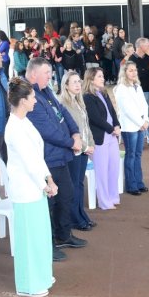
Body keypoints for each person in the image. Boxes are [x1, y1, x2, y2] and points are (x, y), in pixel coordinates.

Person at [23, 57, 87, 259]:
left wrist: (75, 133)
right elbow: (46, 130)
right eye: (46, 73)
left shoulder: (47, 91)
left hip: (60, 157)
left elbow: (63, 113)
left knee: (66, 196)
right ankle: (47, 244)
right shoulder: (28, 95)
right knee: (48, 204)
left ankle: (63, 234)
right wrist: (71, 142)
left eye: (50, 72)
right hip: (47, 159)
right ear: (33, 74)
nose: (50, 76)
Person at [4, 77, 57, 297]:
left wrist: (48, 177)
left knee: (40, 235)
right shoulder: (14, 127)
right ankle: (29, 284)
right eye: (33, 97)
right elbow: (28, 160)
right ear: (23, 100)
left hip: (35, 187)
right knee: (28, 239)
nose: (36, 100)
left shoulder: (25, 122)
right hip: (25, 189)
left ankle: (42, 275)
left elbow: (37, 156)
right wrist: (44, 184)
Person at [59, 71, 96, 231]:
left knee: (79, 184)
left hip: (83, 149)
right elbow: (68, 131)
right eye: (73, 82)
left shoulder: (79, 102)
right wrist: (84, 147)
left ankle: (81, 214)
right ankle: (75, 218)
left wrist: (91, 144)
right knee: (73, 185)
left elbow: (86, 127)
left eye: (79, 82)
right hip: (73, 151)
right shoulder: (63, 103)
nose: (77, 85)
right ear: (65, 85)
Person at [82, 68, 122, 209]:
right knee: (102, 170)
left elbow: (112, 112)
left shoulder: (104, 93)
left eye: (103, 75)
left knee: (114, 167)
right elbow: (95, 118)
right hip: (100, 137)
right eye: (99, 76)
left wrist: (117, 125)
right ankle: (104, 201)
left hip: (111, 135)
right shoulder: (87, 97)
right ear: (91, 79)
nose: (103, 78)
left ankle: (113, 196)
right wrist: (112, 129)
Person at [114, 61, 149, 194]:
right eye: (130, 70)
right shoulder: (121, 89)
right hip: (130, 126)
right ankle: (131, 185)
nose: (134, 72)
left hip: (141, 124)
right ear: (124, 72)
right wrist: (140, 123)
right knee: (131, 155)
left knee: (138, 154)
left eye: (135, 70)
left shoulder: (137, 86)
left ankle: (139, 182)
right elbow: (127, 110)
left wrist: (146, 119)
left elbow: (144, 105)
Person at [131, 37, 149, 145]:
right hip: (138, 91)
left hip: (148, 90)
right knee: (139, 116)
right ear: (141, 46)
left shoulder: (147, 57)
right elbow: (136, 74)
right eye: (147, 45)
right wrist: (147, 69)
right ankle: (140, 140)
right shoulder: (132, 59)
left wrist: (145, 70)